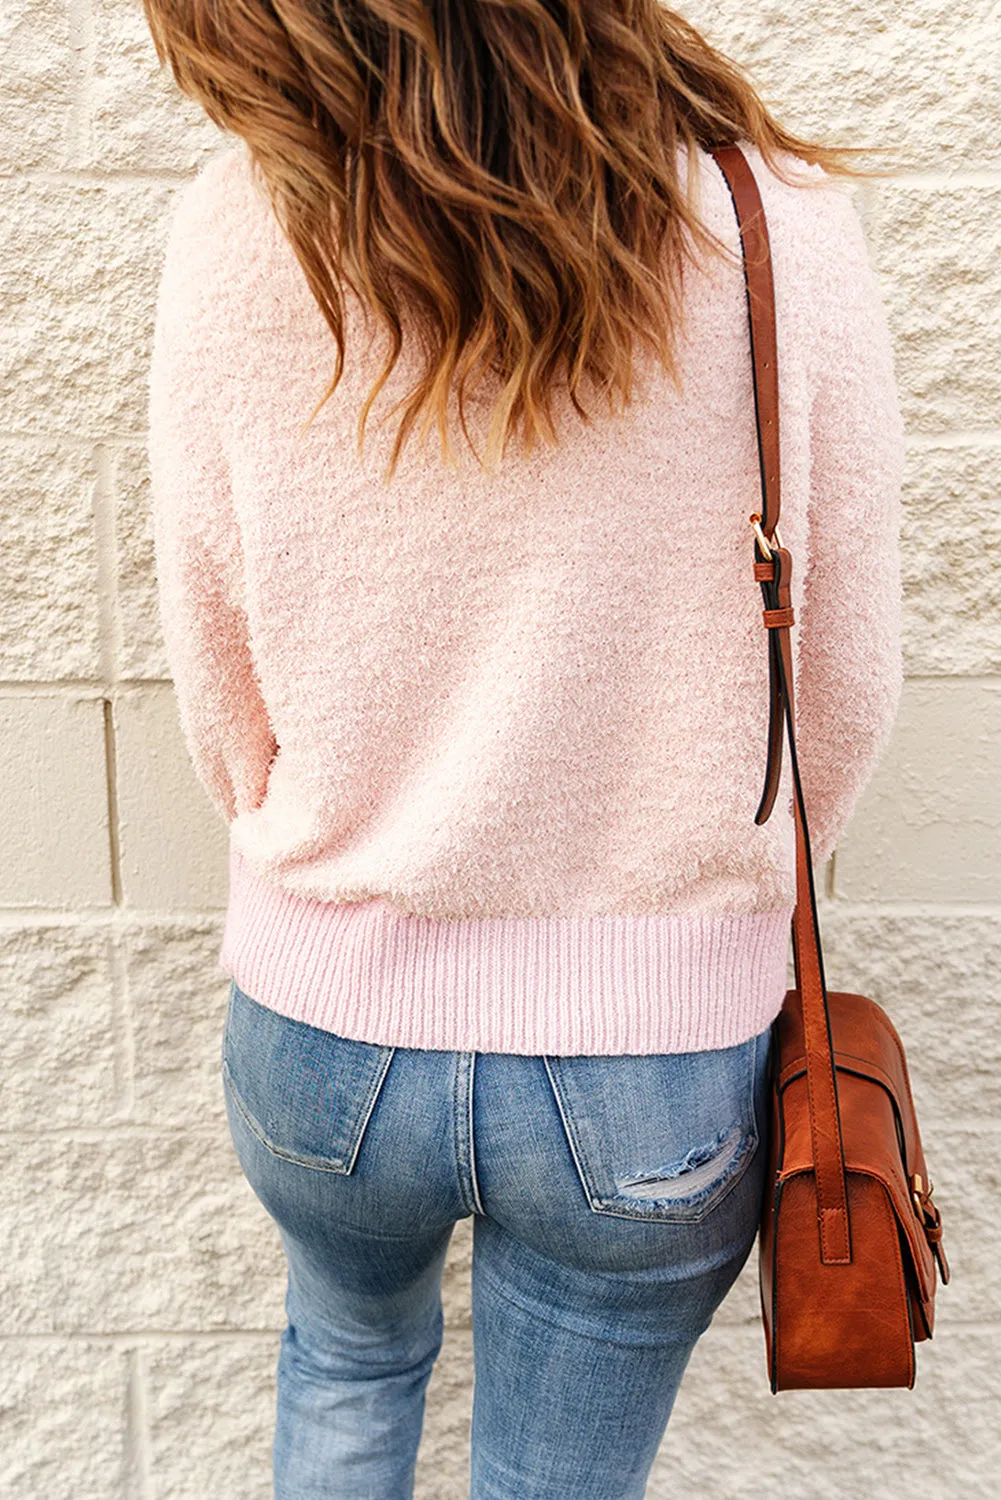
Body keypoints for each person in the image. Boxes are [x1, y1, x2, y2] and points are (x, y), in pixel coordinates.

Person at [142, 2, 904, 1495]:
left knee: (348, 1367)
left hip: (324, 1032)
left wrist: (334, 854)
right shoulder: (774, 224)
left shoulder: (240, 224)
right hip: (652, 1061)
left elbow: (212, 652)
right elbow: (843, 688)